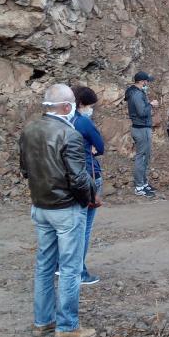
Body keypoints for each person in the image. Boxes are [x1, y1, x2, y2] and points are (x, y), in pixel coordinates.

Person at [19, 84, 96, 337]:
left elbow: (25, 170)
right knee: (70, 268)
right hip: (66, 209)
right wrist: (88, 200)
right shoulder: (69, 135)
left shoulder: (29, 130)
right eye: (73, 102)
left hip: (40, 207)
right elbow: (78, 178)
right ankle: (67, 325)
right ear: (66, 107)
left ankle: (43, 321)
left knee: (44, 266)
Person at [71, 86, 104, 286]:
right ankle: (80, 271)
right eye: (90, 106)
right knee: (84, 227)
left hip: (65, 177)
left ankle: (62, 265)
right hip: (87, 174)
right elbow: (100, 146)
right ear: (83, 103)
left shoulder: (59, 122)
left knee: (70, 225)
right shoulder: (83, 122)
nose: (91, 109)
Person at [125, 71, 159, 197]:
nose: (148, 83)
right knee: (141, 157)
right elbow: (142, 112)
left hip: (142, 128)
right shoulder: (137, 94)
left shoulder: (137, 93)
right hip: (141, 129)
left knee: (145, 156)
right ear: (142, 81)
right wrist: (151, 104)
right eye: (146, 81)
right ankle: (139, 186)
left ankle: (144, 183)